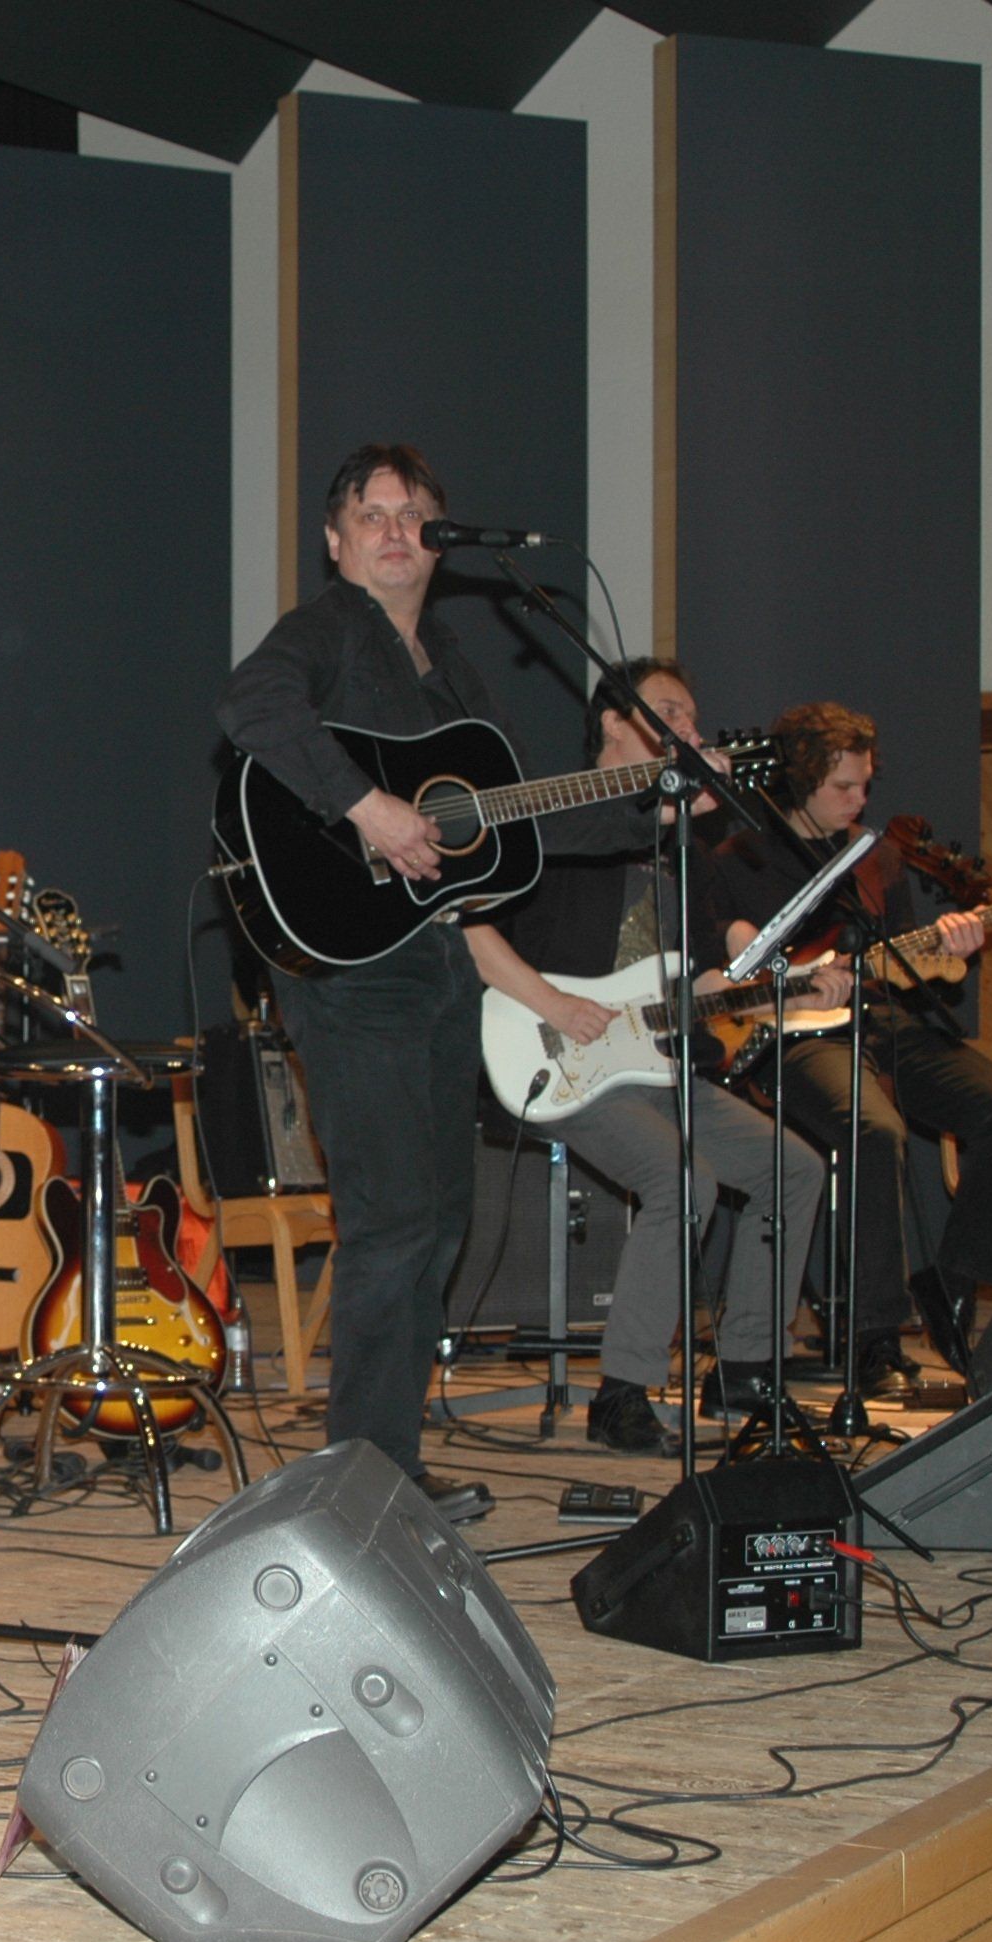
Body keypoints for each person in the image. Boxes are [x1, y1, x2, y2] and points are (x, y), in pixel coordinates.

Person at [218, 444, 652, 1520]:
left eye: (414, 515)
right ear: (336, 541)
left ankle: (390, 1462)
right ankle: (362, 1481)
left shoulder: (451, 665)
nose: (395, 531)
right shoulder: (325, 631)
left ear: (441, 541)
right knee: (391, 1220)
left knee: (442, 1217)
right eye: (372, 515)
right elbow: (252, 705)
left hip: (438, 968)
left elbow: (516, 821)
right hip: (350, 966)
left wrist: (652, 802)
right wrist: (364, 807)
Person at [461, 660, 826, 1447]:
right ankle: (623, 1393)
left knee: (795, 1169)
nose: (686, 729)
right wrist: (553, 1003)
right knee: (681, 1179)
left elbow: (698, 980)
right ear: (612, 722)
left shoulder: (683, 848)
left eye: (691, 717)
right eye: (668, 712)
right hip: (556, 1055)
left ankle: (743, 1369)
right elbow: (466, 922)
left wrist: (792, 986)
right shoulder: (556, 815)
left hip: (655, 1064)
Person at [705, 700, 992, 1390]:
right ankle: (873, 1335)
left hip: (880, 1019)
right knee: (872, 1128)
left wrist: (950, 952)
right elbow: (718, 978)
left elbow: (903, 976)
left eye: (865, 785)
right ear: (799, 780)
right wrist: (793, 985)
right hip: (792, 1034)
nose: (859, 800)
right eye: (843, 787)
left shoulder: (876, 857)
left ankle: (952, 1284)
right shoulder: (740, 858)